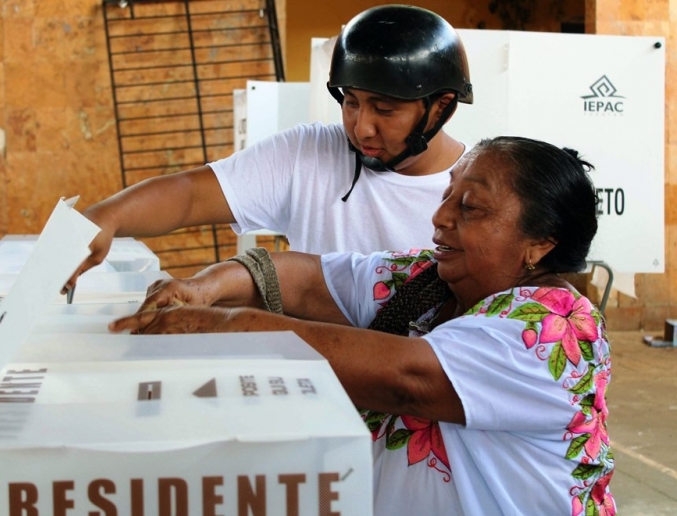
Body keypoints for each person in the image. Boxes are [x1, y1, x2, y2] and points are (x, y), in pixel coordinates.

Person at [109, 136, 615, 515]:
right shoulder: (428, 281)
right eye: (447, 196)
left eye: (470, 207)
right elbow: (306, 281)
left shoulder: (555, 330)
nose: (440, 217)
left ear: (540, 243)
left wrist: (225, 327)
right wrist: (208, 287)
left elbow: (409, 379)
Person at [64, 4, 473, 291]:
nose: (361, 126)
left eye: (384, 108)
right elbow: (189, 195)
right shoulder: (308, 152)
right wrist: (106, 216)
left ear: (442, 106)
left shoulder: (478, 196)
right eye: (350, 102)